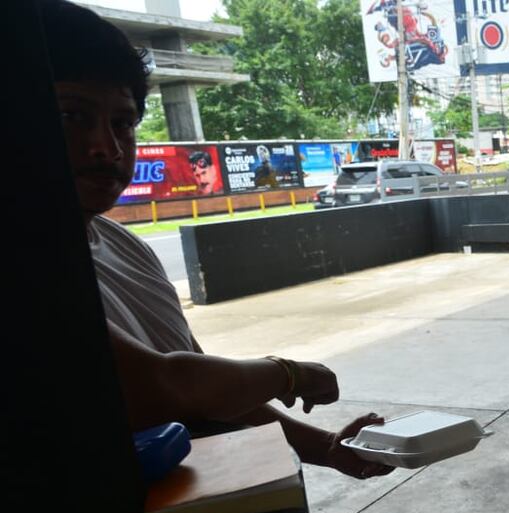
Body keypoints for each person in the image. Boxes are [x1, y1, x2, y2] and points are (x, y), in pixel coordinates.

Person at [43, 0, 392, 480]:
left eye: (122, 122)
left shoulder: (124, 245)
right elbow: (166, 389)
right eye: (70, 116)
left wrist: (327, 448)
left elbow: (211, 396)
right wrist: (286, 373)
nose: (106, 147)